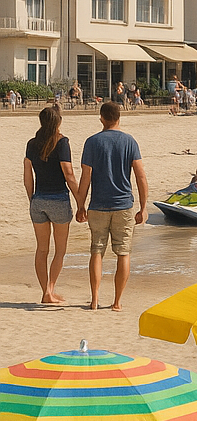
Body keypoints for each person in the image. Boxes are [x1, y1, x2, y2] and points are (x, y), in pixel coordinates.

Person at [77, 102, 148, 312]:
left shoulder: (92, 142)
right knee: (123, 253)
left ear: (101, 118)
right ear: (119, 118)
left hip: (98, 204)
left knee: (97, 251)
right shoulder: (129, 141)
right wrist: (144, 207)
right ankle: (117, 302)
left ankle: (94, 300)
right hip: (123, 204)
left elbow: (86, 177)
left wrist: (81, 205)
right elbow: (140, 176)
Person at [23, 106, 82, 304]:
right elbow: (69, 173)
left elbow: (27, 176)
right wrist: (80, 201)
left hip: (38, 200)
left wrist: (32, 198)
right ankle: (50, 289)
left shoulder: (32, 144)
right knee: (60, 249)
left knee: (41, 249)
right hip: (58, 199)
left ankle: (45, 292)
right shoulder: (61, 142)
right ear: (58, 122)